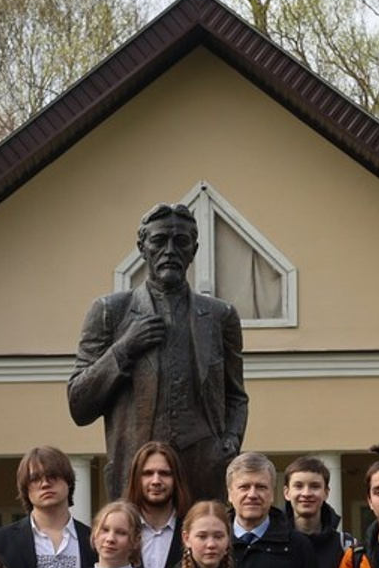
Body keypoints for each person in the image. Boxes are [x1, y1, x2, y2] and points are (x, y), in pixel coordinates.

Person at [68, 201, 249, 503]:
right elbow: (78, 403)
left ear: (193, 249)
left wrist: (229, 441)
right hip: (135, 477)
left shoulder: (220, 316)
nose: (170, 251)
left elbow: (236, 395)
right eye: (159, 240)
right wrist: (124, 349)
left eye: (181, 242)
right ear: (142, 246)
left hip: (204, 475)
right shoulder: (110, 312)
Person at [0, 447, 96, 568]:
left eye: (52, 476)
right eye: (35, 479)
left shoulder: (93, 540)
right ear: (25, 488)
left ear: (68, 481)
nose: (45, 484)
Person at [282, 456, 353, 568]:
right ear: (287, 493)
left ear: (326, 493)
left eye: (315, 486)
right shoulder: (272, 544)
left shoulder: (346, 546)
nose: (306, 493)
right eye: (298, 486)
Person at [124, 441, 191, 568]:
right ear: (136, 479)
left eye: (164, 473)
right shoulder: (120, 529)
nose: (156, 481)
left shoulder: (193, 529)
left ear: (176, 479)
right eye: (147, 473)